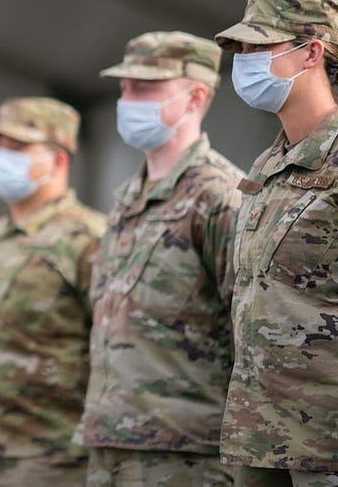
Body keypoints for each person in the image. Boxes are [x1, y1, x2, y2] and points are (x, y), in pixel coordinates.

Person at [79, 31, 243, 486]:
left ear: (195, 97)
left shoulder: (219, 197)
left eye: (146, 89)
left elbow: (248, 331)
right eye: (125, 88)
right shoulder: (127, 201)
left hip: (185, 456)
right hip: (111, 446)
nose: (129, 100)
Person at [214, 0, 338, 487]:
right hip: (261, 436)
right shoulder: (270, 164)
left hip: (325, 440)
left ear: (311, 51)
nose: (243, 61)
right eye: (239, 50)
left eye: (257, 46)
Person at [0, 97, 106, 486]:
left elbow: (112, 345)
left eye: (18, 147)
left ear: (58, 161)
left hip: (50, 455)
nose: (1, 156)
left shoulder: (87, 237)